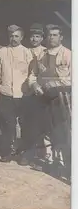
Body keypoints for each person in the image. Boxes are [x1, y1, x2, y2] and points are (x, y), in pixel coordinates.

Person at [23, 25, 71, 177]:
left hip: (61, 98)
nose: (52, 38)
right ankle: (48, 160)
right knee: (44, 129)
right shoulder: (40, 55)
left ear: (61, 37)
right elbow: (32, 74)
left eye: (55, 35)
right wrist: (35, 85)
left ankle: (64, 164)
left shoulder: (68, 54)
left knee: (61, 131)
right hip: (42, 97)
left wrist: (57, 84)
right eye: (50, 35)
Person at [0, 25, 34, 163]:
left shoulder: (27, 53)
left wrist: (30, 90)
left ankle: (23, 153)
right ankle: (7, 152)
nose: (14, 39)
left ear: (21, 37)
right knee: (8, 124)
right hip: (6, 94)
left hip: (23, 94)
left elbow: (32, 73)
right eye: (11, 36)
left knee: (25, 124)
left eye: (16, 36)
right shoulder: (1, 52)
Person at [26, 23, 49, 160]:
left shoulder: (45, 53)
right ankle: (28, 150)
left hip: (40, 93)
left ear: (42, 38)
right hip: (25, 92)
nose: (34, 39)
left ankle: (43, 153)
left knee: (41, 124)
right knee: (26, 123)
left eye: (37, 36)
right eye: (32, 36)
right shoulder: (25, 51)